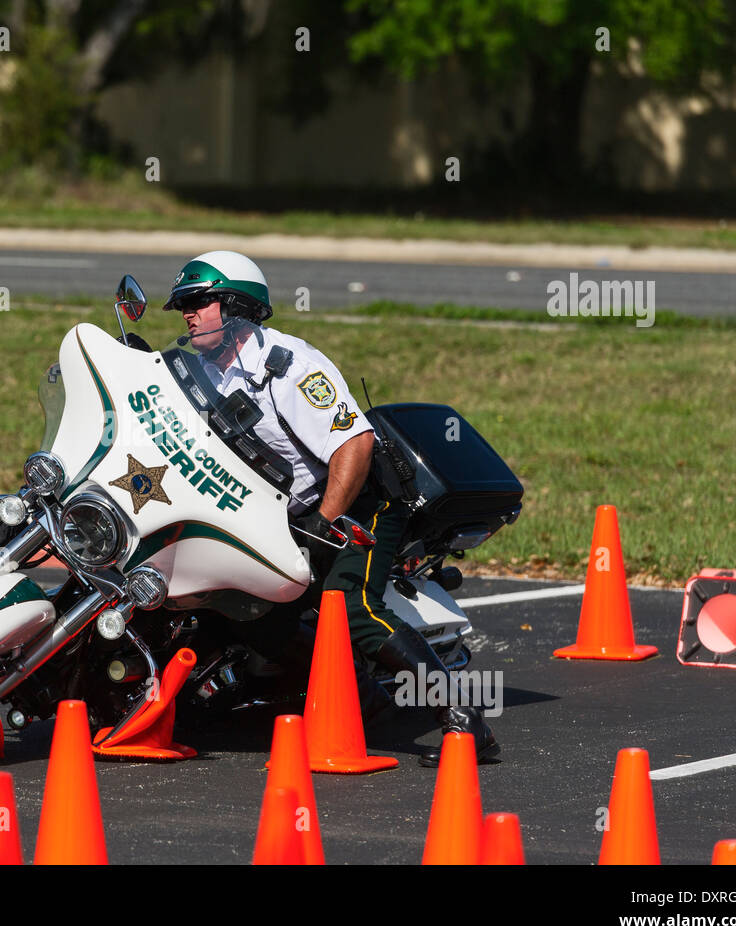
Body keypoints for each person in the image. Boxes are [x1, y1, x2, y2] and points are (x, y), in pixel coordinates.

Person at [163, 250, 498, 767]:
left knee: (352, 606)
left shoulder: (289, 366)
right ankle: (364, 697)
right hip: (282, 513)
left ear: (235, 306)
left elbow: (355, 445)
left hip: (360, 501)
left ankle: (462, 717)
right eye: (184, 305)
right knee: (246, 607)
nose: (187, 313)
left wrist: (324, 523)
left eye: (198, 302)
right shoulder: (199, 372)